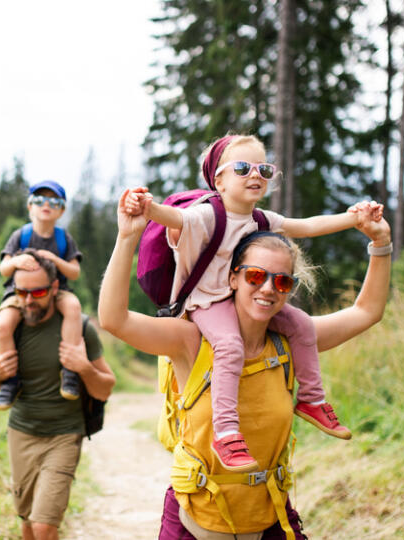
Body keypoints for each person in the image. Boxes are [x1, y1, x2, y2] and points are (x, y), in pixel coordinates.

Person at [100, 188, 392, 538]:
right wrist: (127, 235)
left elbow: (367, 312)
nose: (268, 289)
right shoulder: (191, 340)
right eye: (255, 276)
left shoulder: (292, 343)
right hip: (194, 521)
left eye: (282, 281)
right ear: (232, 278)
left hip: (270, 520)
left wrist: (381, 244)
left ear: (289, 289)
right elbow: (114, 320)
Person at [125, 134, 383, 471]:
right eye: (243, 168)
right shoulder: (206, 215)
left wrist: (354, 219)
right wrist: (145, 208)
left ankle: (311, 400)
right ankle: (227, 432)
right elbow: (173, 219)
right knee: (230, 345)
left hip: (238, 299)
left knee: (302, 324)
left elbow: (304, 227)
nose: (256, 175)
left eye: (264, 168)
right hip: (206, 304)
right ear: (219, 179)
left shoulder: (260, 220)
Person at [0, 249, 116, 540]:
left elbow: (105, 387)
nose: (29, 300)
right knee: (28, 522)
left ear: (55, 289)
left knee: (44, 525)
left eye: (38, 291)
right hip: (22, 433)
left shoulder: (79, 329)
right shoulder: (8, 328)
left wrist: (83, 368)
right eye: (21, 292)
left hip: (64, 435)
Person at [0, 180, 85, 409]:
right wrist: (16, 260)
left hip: (57, 290)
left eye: (54, 201)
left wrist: (54, 259)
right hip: (21, 292)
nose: (46, 205)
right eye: (39, 200)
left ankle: (70, 371)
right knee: (4, 325)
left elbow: (74, 272)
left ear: (62, 210)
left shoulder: (63, 238)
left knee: (73, 308)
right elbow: (4, 268)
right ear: (29, 207)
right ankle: (9, 380)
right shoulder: (20, 236)